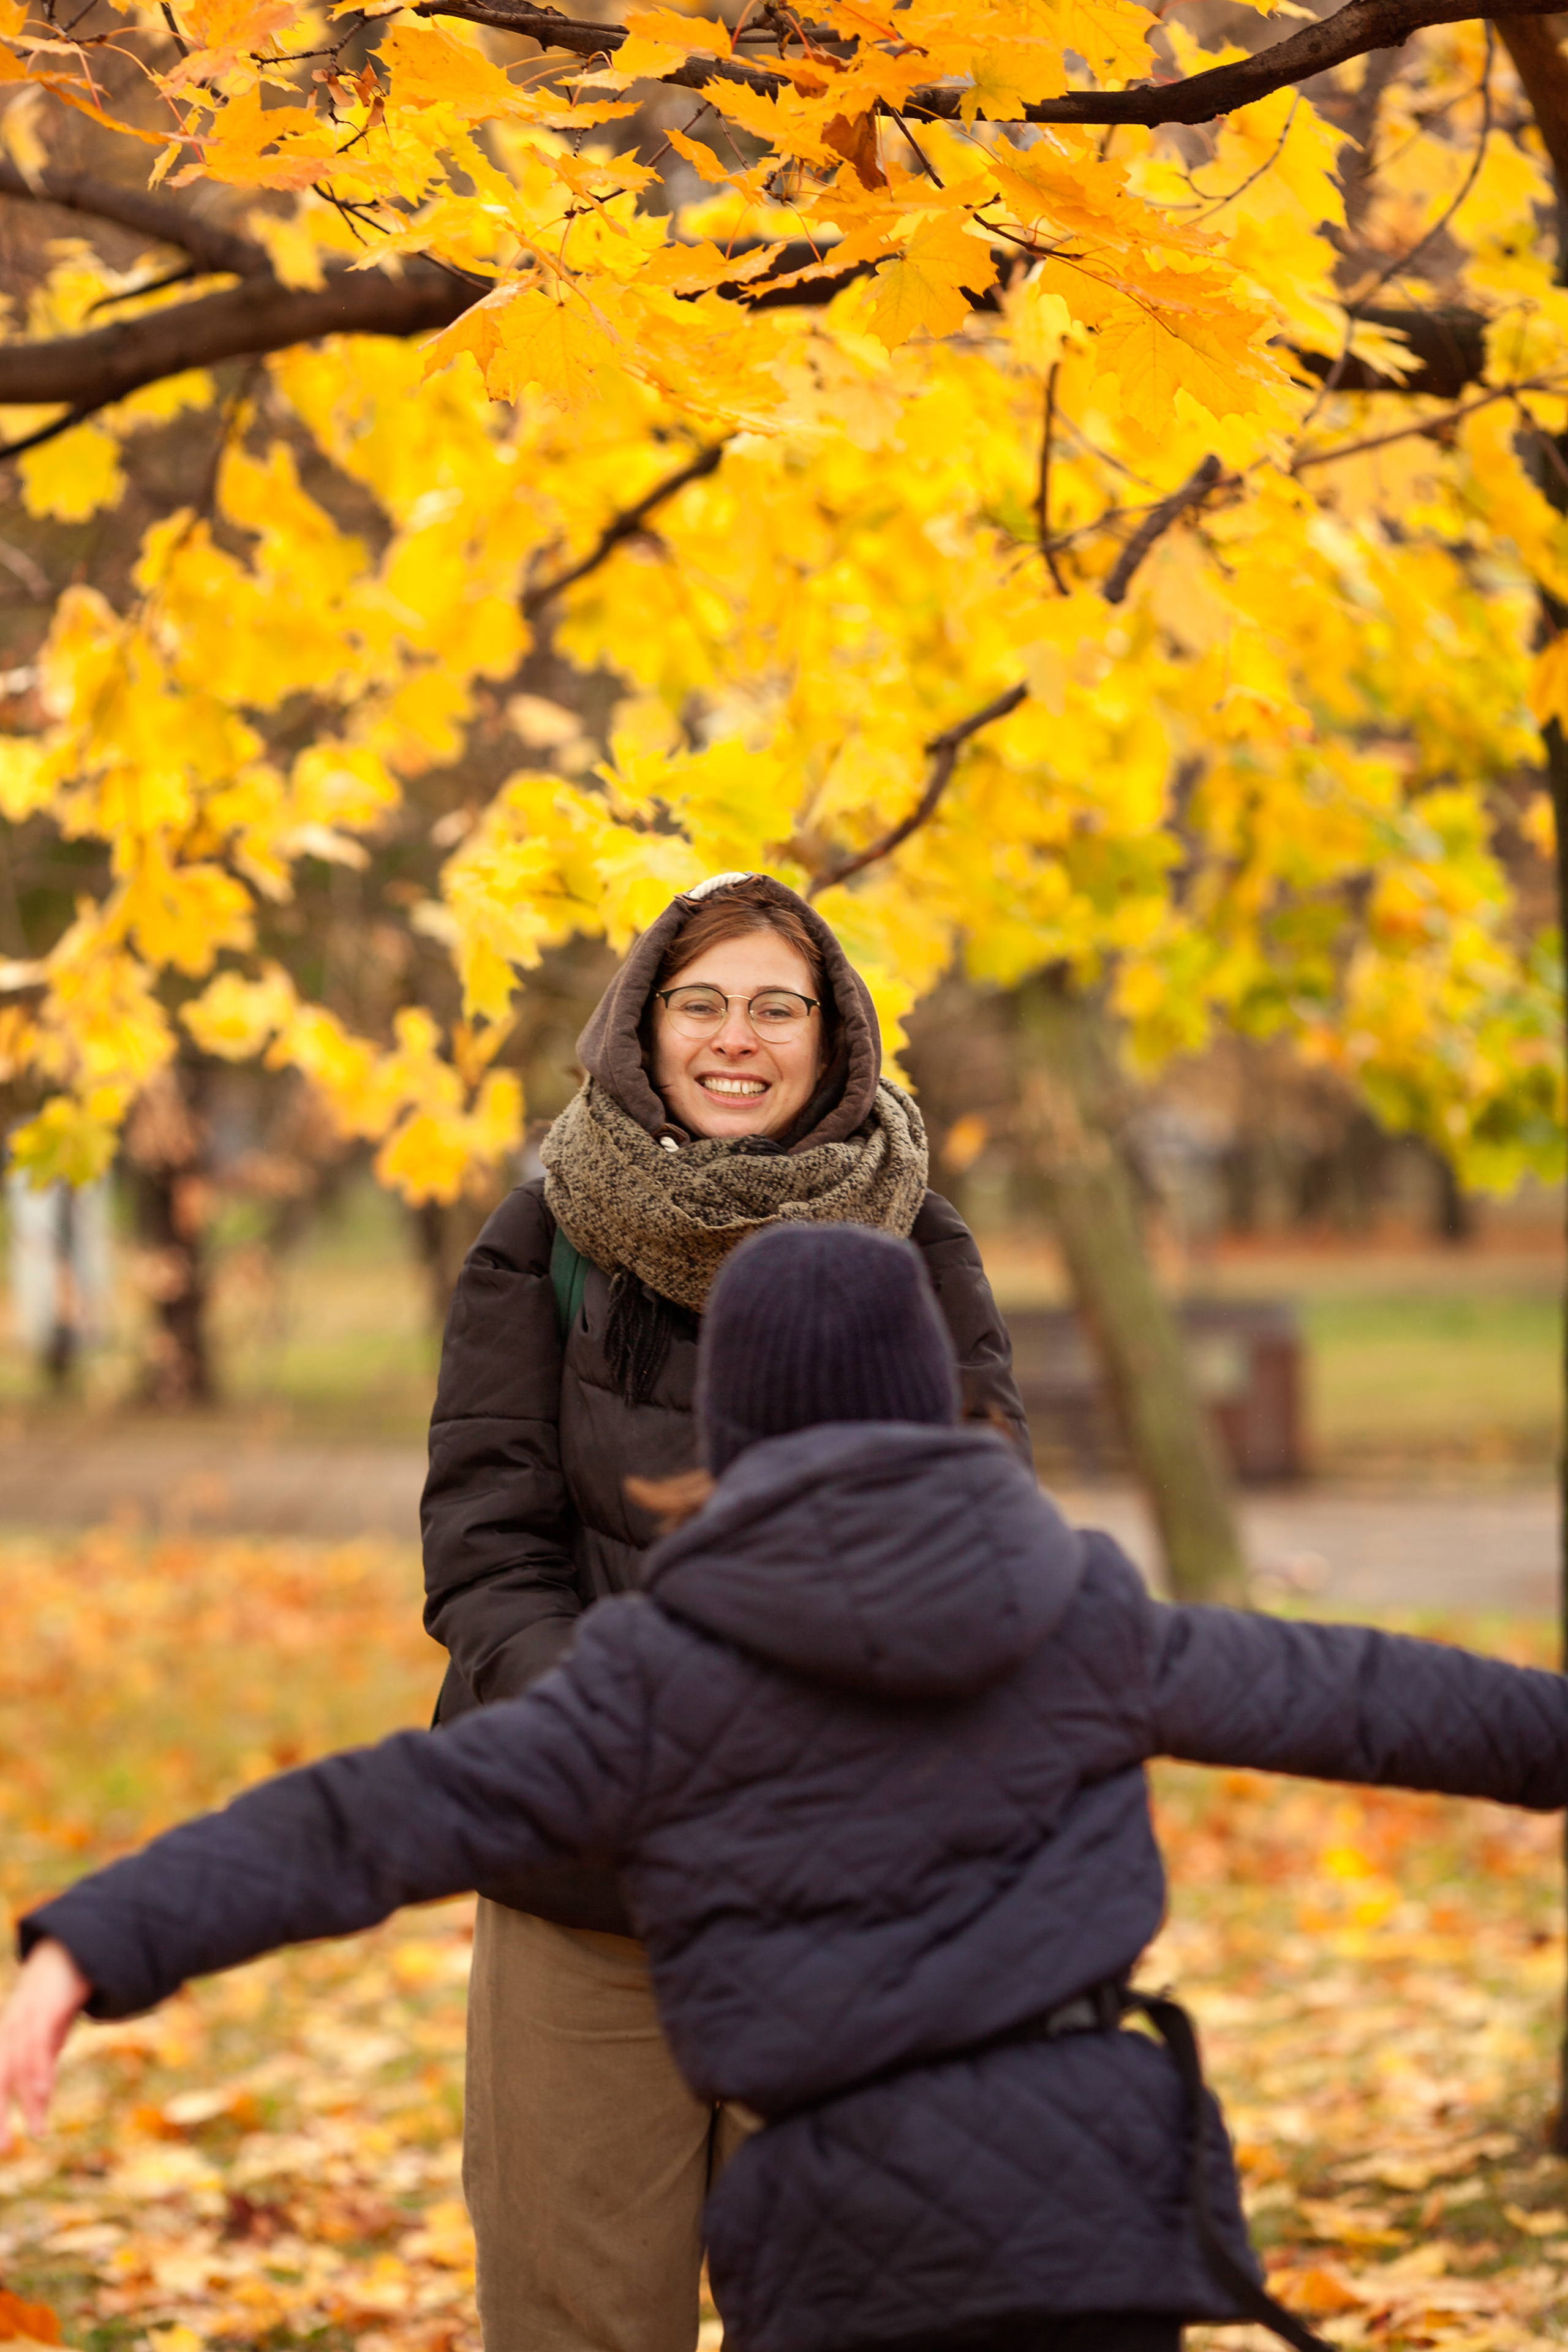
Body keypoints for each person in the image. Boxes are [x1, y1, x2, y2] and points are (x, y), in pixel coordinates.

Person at [6, 1221, 1568, 2352]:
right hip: (1096, 2199)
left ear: (727, 1423)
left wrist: (96, 1941)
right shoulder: (1079, 1611)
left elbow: (363, 1824)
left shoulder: (649, 1681)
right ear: (932, 1401)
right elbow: (1377, 1699)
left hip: (839, 2234)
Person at [420, 871, 1028, 2352]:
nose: (733, 1038)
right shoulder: (540, 1237)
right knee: (577, 2309)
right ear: (644, 1025)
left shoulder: (913, 1240)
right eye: (699, 1003)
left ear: (833, 1039)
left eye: (775, 1006)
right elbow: (487, 1547)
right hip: (584, 1873)